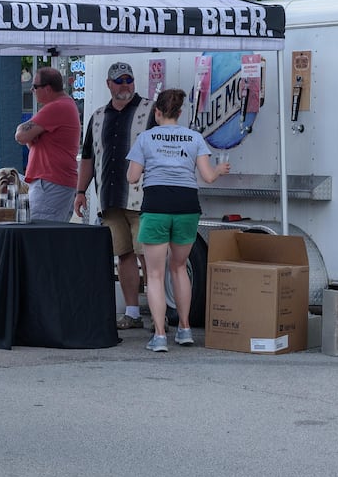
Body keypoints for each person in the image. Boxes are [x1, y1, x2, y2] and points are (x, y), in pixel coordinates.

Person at [126, 89, 229, 352]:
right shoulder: (194, 138)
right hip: (187, 206)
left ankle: (160, 335)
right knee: (180, 268)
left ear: (157, 113)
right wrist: (218, 169)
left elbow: (132, 177)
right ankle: (184, 330)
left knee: (156, 275)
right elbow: (207, 177)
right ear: (180, 113)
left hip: (157, 205)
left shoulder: (145, 138)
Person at [75, 61, 157, 331]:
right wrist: (80, 191)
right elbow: (88, 156)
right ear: (109, 84)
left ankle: (161, 313)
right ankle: (132, 312)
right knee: (123, 255)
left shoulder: (149, 111)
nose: (125, 85)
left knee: (148, 256)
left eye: (129, 80)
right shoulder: (98, 116)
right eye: (119, 81)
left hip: (142, 198)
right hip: (110, 198)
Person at [14, 67, 81, 222]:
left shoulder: (56, 107)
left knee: (40, 234)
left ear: (48, 88)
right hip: (56, 182)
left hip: (50, 183)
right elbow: (30, 142)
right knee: (51, 237)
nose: (32, 90)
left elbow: (21, 135)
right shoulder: (65, 104)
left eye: (35, 87)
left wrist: (27, 132)